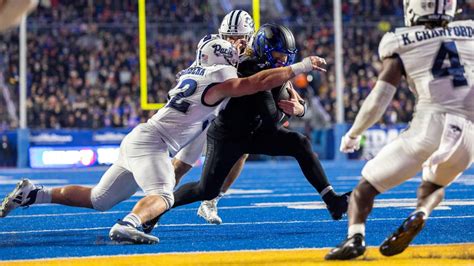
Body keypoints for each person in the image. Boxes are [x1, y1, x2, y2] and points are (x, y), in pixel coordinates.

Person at [0, 37, 327, 245]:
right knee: (163, 195)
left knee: (98, 198)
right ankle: (128, 224)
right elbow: (254, 83)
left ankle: (34, 194)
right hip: (154, 143)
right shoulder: (219, 77)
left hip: (141, 138)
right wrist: (299, 66)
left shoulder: (194, 72)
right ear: (223, 59)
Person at [144, 24, 350, 235]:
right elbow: (273, 120)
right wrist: (293, 111)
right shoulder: (249, 67)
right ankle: (154, 211)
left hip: (254, 131)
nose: (283, 61)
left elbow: (290, 97)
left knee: (301, 143)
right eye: (278, 55)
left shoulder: (274, 68)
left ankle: (331, 200)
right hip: (228, 135)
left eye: (286, 56)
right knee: (205, 189)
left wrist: (301, 109)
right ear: (263, 49)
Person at [325, 0, 473, 260]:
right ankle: (421, 212)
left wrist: (354, 133)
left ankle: (355, 238)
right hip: (470, 133)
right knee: (434, 184)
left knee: (364, 188)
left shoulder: (401, 40)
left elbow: (380, 98)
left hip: (430, 126)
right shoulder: (470, 31)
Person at [172, 9, 256, 225]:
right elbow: (196, 69)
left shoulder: (256, 53)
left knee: (241, 153)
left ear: (249, 37)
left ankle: (211, 201)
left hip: (230, 112)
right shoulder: (212, 45)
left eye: (238, 37)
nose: (233, 42)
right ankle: (155, 204)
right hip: (205, 110)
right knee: (182, 164)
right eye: (229, 37)